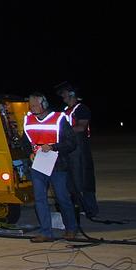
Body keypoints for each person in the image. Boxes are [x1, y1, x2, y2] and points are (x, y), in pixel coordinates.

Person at [23, 93, 79, 243]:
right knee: (40, 200)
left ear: (44, 105)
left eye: (35, 105)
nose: (32, 108)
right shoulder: (28, 120)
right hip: (38, 165)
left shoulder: (59, 119)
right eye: (31, 105)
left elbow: (72, 143)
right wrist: (29, 153)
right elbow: (24, 142)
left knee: (62, 198)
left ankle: (71, 229)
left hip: (57, 164)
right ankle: (45, 232)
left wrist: (54, 147)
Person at [57, 83, 99, 218]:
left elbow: (81, 127)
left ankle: (90, 208)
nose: (62, 96)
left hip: (80, 147)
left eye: (64, 93)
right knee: (71, 179)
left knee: (83, 177)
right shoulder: (65, 110)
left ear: (71, 94)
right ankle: (77, 206)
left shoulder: (82, 109)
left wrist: (63, 132)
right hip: (69, 147)